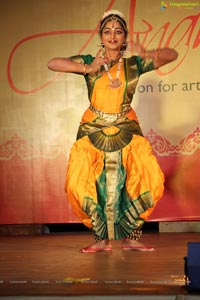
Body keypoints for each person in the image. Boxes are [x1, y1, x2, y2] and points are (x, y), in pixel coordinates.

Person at [48, 10, 178, 253]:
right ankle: (101, 239)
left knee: (145, 179)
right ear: (101, 36)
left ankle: (132, 237)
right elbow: (52, 63)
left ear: (125, 36)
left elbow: (172, 54)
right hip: (93, 126)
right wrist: (88, 68)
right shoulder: (90, 61)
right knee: (83, 183)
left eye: (118, 31)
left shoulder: (134, 64)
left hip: (126, 125)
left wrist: (147, 54)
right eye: (107, 31)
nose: (112, 35)